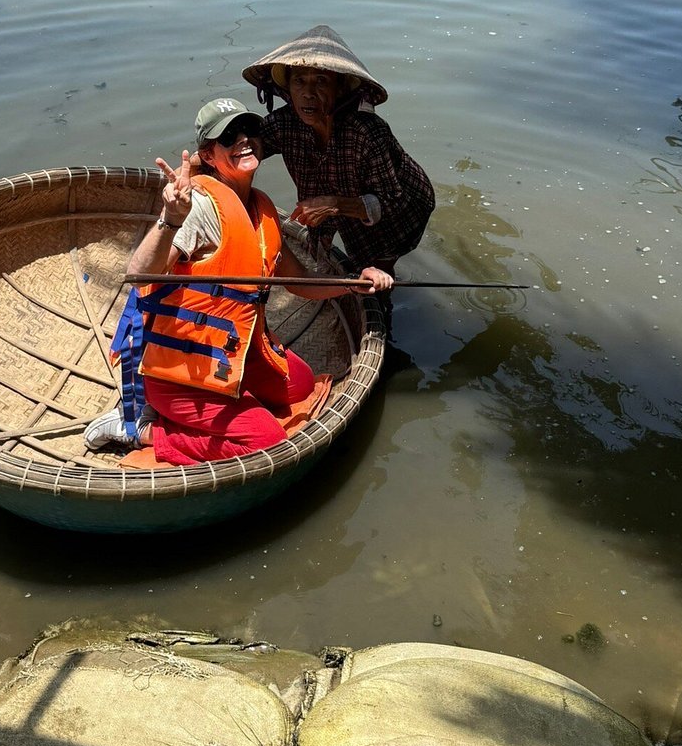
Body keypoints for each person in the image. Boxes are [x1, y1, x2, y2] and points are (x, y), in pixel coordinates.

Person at [86, 98, 392, 465]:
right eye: (229, 136)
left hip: (233, 354)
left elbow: (299, 281)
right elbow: (139, 274)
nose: (244, 140)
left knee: (300, 385)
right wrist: (171, 218)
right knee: (267, 440)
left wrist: (354, 283)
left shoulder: (261, 209)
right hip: (182, 373)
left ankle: (216, 405)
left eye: (249, 130)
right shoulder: (200, 207)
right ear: (208, 155)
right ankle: (139, 430)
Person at [242, 25, 435, 273]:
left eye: (321, 81)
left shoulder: (366, 132)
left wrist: (335, 204)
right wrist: (201, 164)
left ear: (340, 88)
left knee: (378, 264)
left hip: (403, 204)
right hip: (346, 198)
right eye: (299, 81)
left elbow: (391, 203)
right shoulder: (284, 123)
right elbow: (242, 149)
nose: (308, 93)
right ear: (288, 87)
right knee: (333, 237)